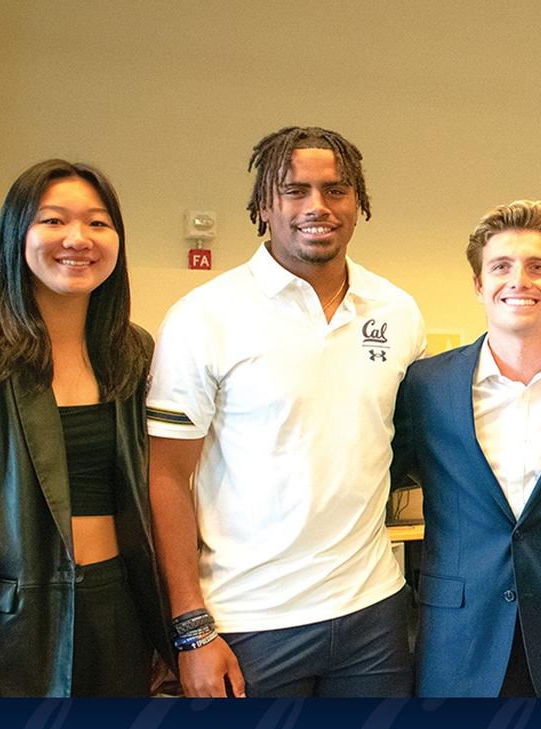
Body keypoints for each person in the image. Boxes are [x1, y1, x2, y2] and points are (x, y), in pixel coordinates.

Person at [147, 126, 426, 697]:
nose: (317, 207)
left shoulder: (398, 313)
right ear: (263, 207)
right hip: (249, 621)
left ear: (359, 203)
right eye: (295, 191)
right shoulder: (205, 316)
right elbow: (166, 478)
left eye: (336, 190)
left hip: (373, 613)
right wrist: (192, 630)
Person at [0, 159, 171, 696]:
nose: (77, 239)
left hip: (119, 610)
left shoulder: (132, 352)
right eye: (53, 221)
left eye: (98, 222)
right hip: (15, 627)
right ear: (18, 234)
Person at [392, 200, 541, 697]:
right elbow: (387, 473)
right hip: (458, 635)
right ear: (479, 285)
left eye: (537, 267)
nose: (519, 280)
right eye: (501, 267)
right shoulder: (427, 386)